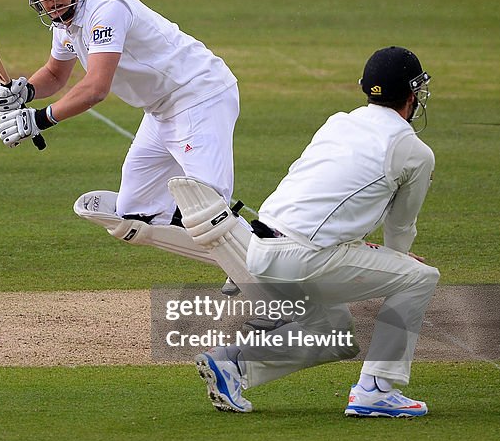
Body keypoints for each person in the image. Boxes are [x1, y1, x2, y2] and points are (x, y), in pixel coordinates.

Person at [182, 46, 439, 417]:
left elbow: (324, 197)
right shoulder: (415, 151)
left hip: (259, 248)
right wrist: (395, 261)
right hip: (304, 256)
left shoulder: (339, 121)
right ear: (412, 95)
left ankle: (232, 364)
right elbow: (400, 227)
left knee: (336, 333)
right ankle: (375, 389)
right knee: (419, 278)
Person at [0, 0, 249, 287]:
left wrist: (39, 119)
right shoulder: (65, 24)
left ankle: (257, 269)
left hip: (198, 95)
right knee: (134, 211)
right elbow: (55, 74)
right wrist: (26, 91)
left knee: (205, 206)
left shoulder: (106, 11)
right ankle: (246, 248)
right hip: (160, 109)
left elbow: (97, 87)